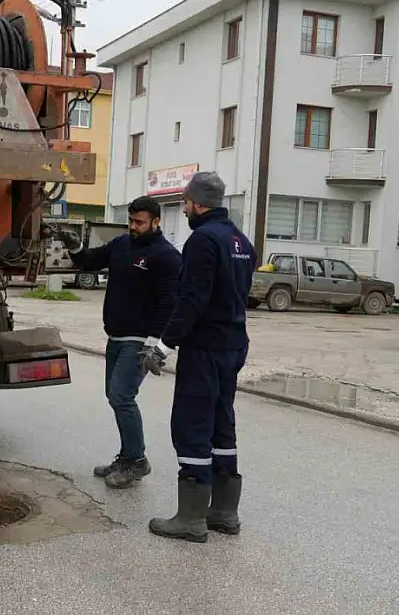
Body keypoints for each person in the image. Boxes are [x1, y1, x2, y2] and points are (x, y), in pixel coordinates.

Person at [144, 171, 256, 543]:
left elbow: (192, 299)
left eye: (186, 203)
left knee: (192, 423)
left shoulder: (202, 240)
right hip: (233, 344)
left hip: (205, 348)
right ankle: (224, 512)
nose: (185, 209)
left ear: (196, 203)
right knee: (222, 425)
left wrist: (164, 344)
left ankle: (190, 519)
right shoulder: (241, 240)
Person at [50, 197, 182, 489]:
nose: (133, 227)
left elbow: (169, 304)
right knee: (115, 396)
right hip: (116, 336)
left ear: (156, 222)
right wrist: (74, 247)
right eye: (131, 221)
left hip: (139, 340)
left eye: (140, 222)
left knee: (122, 396)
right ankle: (127, 456)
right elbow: (89, 261)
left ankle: (136, 460)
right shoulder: (122, 245)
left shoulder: (166, 256)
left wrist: (155, 346)